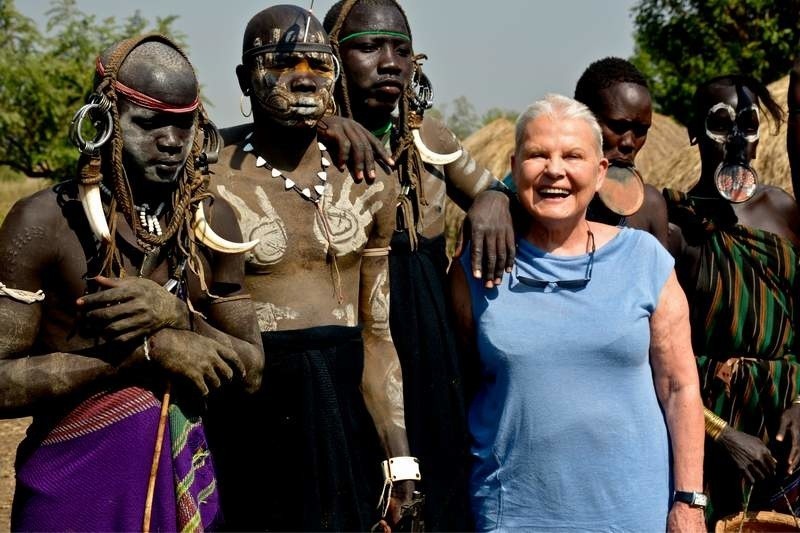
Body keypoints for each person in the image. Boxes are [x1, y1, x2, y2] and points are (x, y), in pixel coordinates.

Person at [0, 34, 263, 532]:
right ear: (101, 121)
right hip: (70, 489)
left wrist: (181, 318)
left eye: (184, 125)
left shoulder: (211, 222)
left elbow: (252, 370)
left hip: (180, 479)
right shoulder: (44, 223)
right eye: (148, 123)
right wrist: (143, 352)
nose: (171, 140)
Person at [450, 94, 706, 531]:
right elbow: (462, 381)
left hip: (632, 513)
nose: (555, 170)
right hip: (513, 513)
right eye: (537, 155)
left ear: (600, 170)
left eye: (573, 156)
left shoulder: (644, 260)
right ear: (514, 167)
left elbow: (680, 387)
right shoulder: (477, 268)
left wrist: (689, 501)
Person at [204, 6, 415, 531]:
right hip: (246, 406)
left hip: (343, 408)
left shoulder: (368, 179)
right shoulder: (207, 173)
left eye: (319, 66)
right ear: (244, 79)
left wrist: (399, 454)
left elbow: (378, 334)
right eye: (281, 62)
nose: (302, 77)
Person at [321, 2, 514, 529]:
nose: (390, 63)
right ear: (331, 57)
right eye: (369, 47)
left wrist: (492, 200)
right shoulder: (309, 141)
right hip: (348, 320)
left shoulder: (428, 134)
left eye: (401, 50)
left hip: (426, 325)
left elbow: (491, 189)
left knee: (438, 474)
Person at [664, 74, 800, 524]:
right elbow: (659, 357)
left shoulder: (783, 211)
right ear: (694, 133)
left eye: (748, 123)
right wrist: (721, 434)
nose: (737, 140)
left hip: (786, 428)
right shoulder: (674, 226)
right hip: (710, 427)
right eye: (721, 124)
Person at [503, 57, 669, 246]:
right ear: (584, 119)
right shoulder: (528, 195)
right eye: (617, 126)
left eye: (641, 131)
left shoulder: (649, 206)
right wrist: (493, 199)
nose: (629, 142)